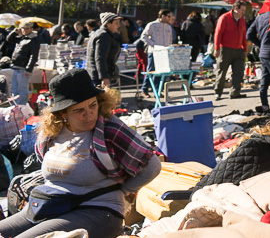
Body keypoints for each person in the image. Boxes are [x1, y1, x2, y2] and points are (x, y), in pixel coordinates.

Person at [0, 68, 161, 238]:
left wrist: (123, 190)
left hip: (97, 209)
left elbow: (152, 165)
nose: (89, 114)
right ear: (62, 113)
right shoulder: (51, 133)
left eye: (93, 105)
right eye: (78, 110)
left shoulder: (110, 130)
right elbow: (42, 159)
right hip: (51, 204)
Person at [213, 1, 248, 100]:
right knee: (222, 71)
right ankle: (218, 93)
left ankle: (235, 92)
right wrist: (217, 49)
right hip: (225, 49)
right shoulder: (224, 18)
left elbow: (243, 36)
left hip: (238, 50)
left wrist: (245, 50)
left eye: (244, 10)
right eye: (242, 10)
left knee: (238, 72)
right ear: (236, 8)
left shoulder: (242, 20)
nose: (243, 12)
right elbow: (218, 33)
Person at [140, 9, 173, 98]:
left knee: (161, 72)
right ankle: (144, 89)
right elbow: (143, 36)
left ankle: (156, 91)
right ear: (163, 16)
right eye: (168, 16)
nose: (169, 18)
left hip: (164, 52)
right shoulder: (152, 25)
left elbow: (170, 40)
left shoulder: (168, 27)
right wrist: (153, 44)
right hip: (153, 51)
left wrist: (169, 48)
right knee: (150, 70)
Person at [86, 13, 123, 88]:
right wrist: (105, 78)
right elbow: (100, 58)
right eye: (116, 23)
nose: (118, 26)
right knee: (102, 99)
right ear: (108, 24)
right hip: (98, 77)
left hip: (98, 75)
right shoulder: (104, 35)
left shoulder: (104, 34)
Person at [10, 21, 40, 105]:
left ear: (31, 29)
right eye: (24, 29)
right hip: (16, 66)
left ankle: (21, 108)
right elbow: (9, 39)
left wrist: (29, 69)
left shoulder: (34, 40)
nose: (26, 30)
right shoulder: (21, 38)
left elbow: (34, 56)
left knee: (22, 90)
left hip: (23, 68)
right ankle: (15, 107)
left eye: (28, 28)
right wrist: (15, 31)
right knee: (14, 90)